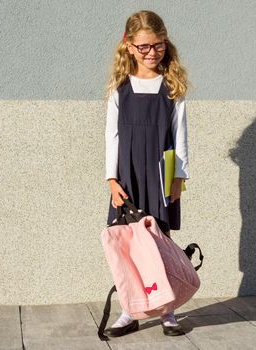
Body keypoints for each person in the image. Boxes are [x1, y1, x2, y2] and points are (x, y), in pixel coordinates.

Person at [103, 10, 190, 337]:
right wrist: (111, 179)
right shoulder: (120, 88)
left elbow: (180, 135)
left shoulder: (172, 87)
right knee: (130, 245)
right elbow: (111, 134)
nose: (152, 53)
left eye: (158, 46)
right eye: (144, 47)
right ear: (128, 46)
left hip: (159, 172)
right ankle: (130, 310)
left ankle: (167, 311)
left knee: (160, 242)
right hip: (127, 176)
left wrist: (179, 177)